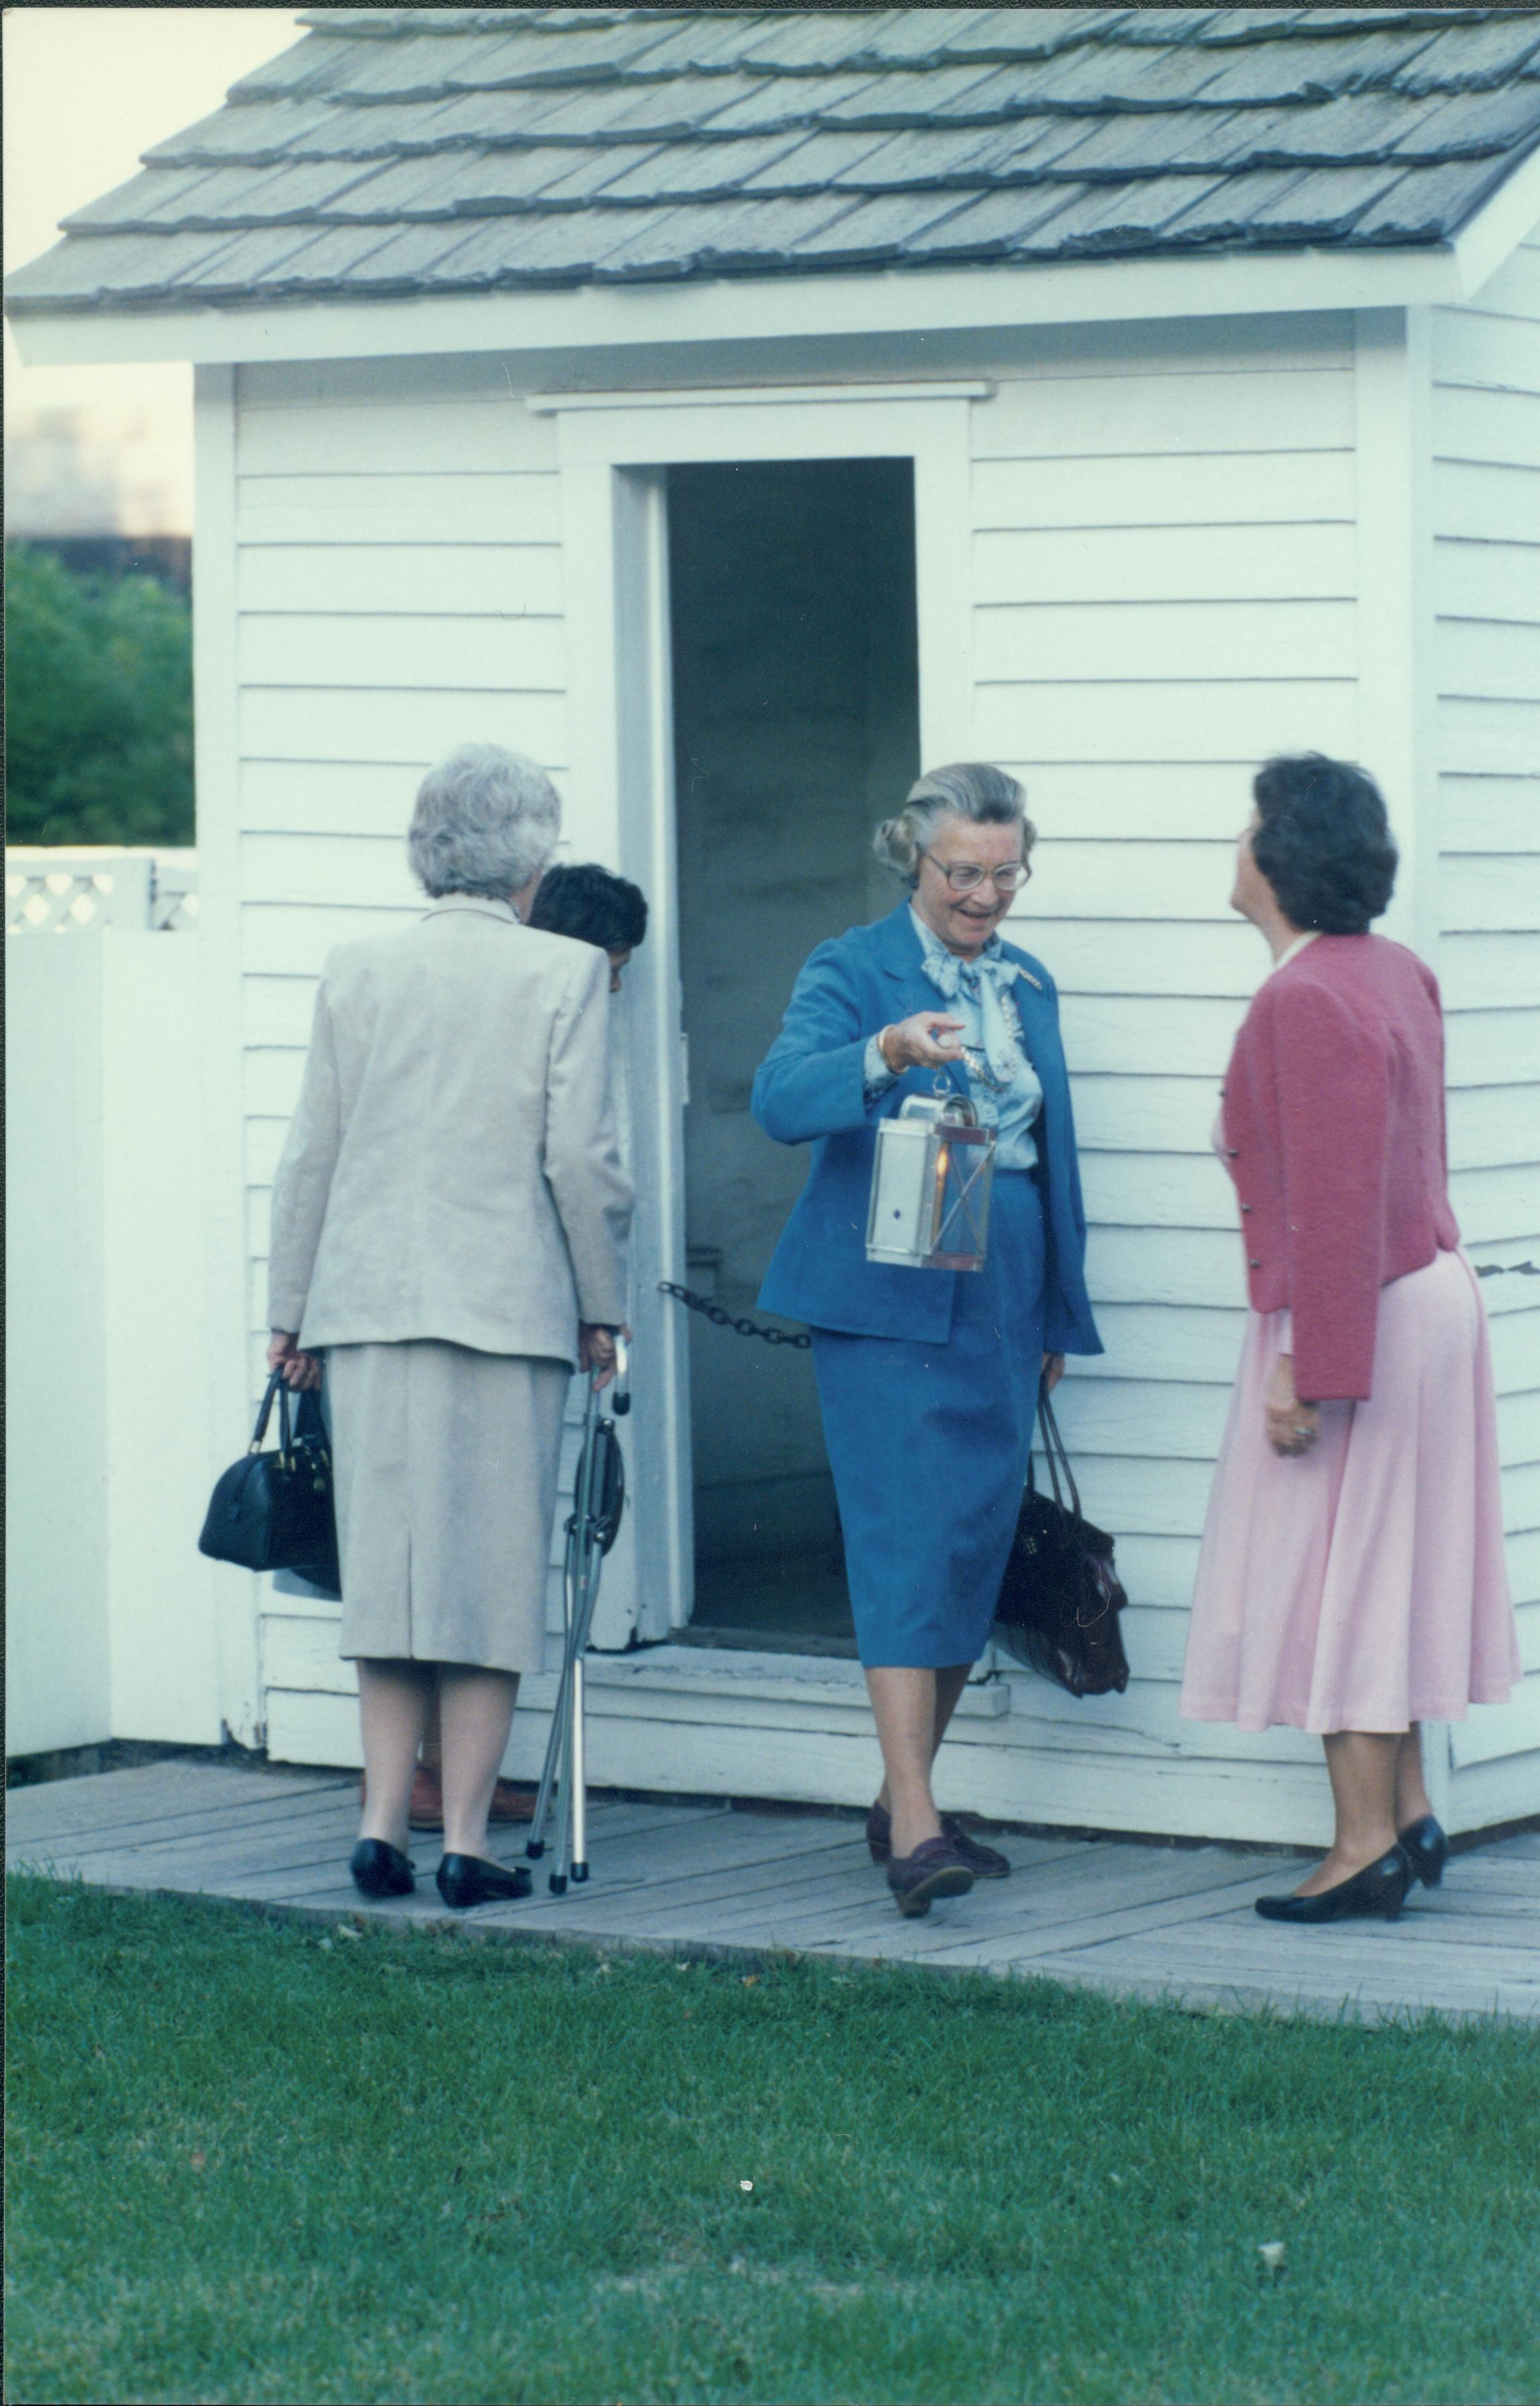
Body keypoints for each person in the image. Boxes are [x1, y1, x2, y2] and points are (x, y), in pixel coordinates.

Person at [266, 744, 632, 1911]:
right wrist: (602, 1301)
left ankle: (380, 1824)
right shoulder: (566, 972)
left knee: (390, 1574)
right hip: (503, 1306)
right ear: (531, 856)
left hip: (366, 1305)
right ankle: (466, 1841)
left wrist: (288, 1313)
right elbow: (581, 1158)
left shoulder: (356, 967)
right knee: (487, 1578)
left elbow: (310, 1153)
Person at [752, 764, 1102, 1918]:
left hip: (1001, 1283)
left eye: (1007, 872)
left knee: (969, 1541)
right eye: (965, 871)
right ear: (913, 856)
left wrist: (1054, 1310)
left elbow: (1051, 1160)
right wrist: (886, 1052)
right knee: (906, 1539)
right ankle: (914, 1822)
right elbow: (780, 1097)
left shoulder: (1027, 982)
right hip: (885, 1292)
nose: (987, 894)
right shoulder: (852, 967)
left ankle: (908, 1800)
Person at [1180, 754, 1519, 1924]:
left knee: (1342, 1569)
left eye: (1249, 827)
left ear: (1279, 858)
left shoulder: (1304, 995)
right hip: (1424, 1287)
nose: (1236, 844)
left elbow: (1336, 1199)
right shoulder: (1393, 969)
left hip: (1358, 1300)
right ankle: (1414, 1802)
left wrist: (1307, 1365)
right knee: (1390, 1552)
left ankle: (1366, 1840)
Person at [399, 859, 649, 1834]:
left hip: (446, 1304)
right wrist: (599, 1300)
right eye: (617, 965)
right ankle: (433, 1781)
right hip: (489, 1310)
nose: (618, 986)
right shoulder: (543, 1012)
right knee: (465, 1553)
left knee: (454, 1549)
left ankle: (439, 1774)